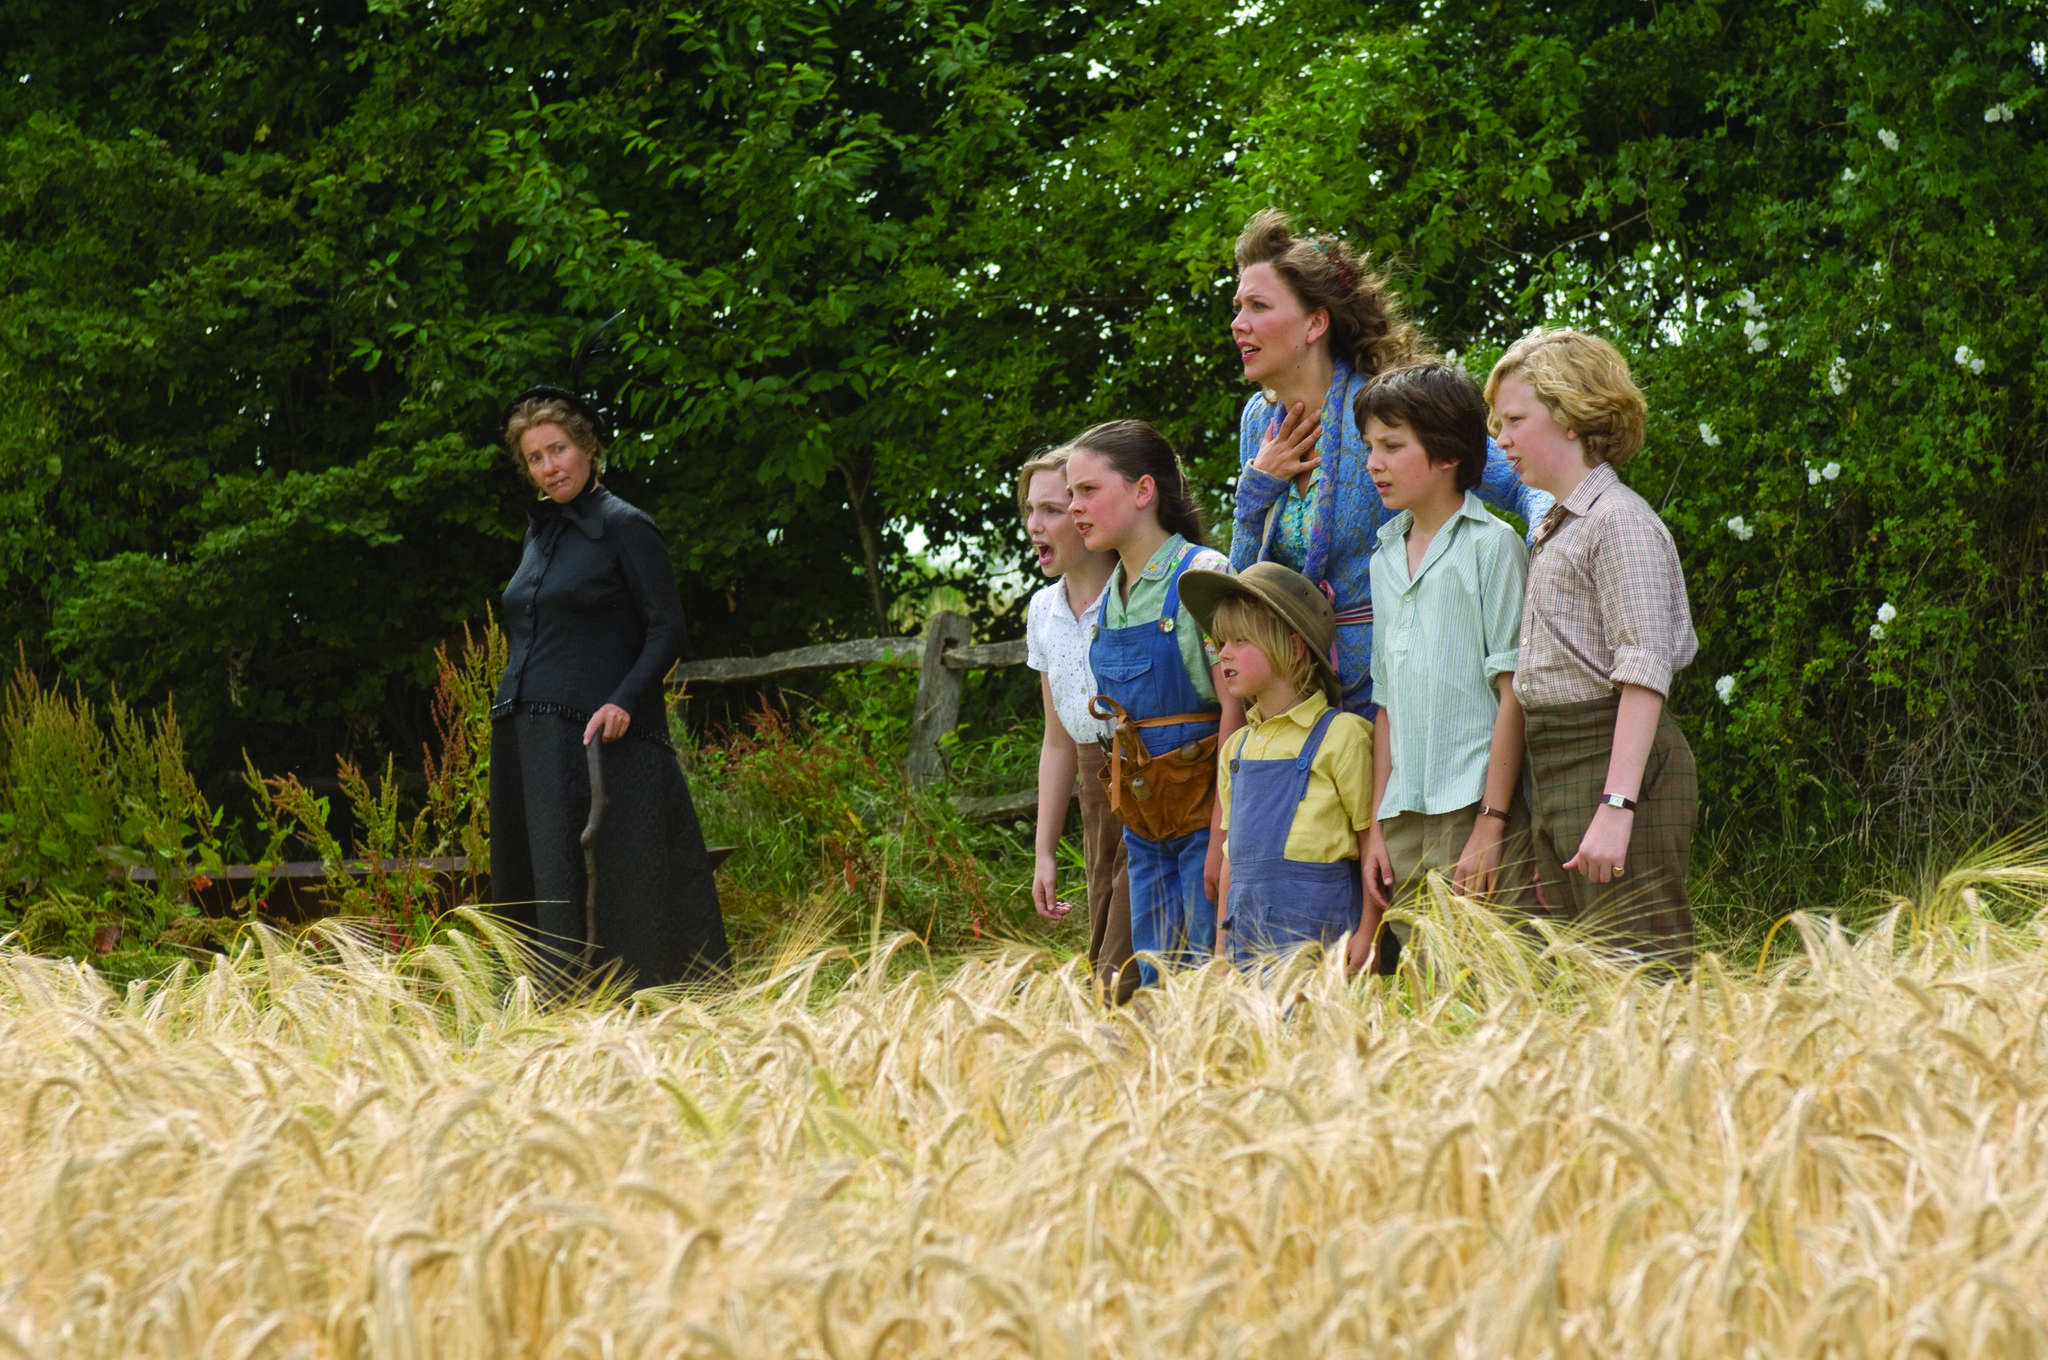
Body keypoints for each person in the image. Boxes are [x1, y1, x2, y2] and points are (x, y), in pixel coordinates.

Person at [1227, 208, 1552, 715]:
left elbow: (1523, 483)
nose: (1238, 324)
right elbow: (1245, 580)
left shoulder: (1385, 407)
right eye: (1237, 306)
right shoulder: (1256, 421)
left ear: (1316, 322)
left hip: (1397, 692)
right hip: (1295, 694)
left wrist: (1555, 541)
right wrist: (1257, 490)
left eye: (1258, 306)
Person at [489, 385, 731, 986]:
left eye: (558, 449)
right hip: (529, 742)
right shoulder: (538, 535)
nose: (549, 467)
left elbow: (667, 628)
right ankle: (550, 1015)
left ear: (589, 447)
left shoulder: (627, 527)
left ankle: (638, 1012)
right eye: (535, 459)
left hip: (601, 742)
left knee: (620, 888)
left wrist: (624, 700)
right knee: (542, 881)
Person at [1484, 331, 1699, 966]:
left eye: (1515, 420)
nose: (1502, 440)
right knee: (1598, 985)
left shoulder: (1619, 522)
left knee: (1644, 975)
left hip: (1611, 761)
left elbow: (1643, 672)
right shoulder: (1558, 522)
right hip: (1559, 765)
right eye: (1498, 423)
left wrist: (1616, 805)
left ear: (1573, 415)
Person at [1352, 364, 1535, 974]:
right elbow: (1385, 706)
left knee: (1480, 984)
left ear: (1449, 453)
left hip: (1473, 807)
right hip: (1402, 812)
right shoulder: (1381, 556)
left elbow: (1514, 695)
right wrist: (1378, 825)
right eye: (1370, 447)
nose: (1374, 462)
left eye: (1392, 446)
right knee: (1412, 992)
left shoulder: (1494, 547)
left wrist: (1491, 823)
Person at [1064, 420, 1244, 986]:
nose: (1074, 507)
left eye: (1088, 490)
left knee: (1208, 976)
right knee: (1155, 975)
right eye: (1070, 494)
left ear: (1144, 491)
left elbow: (1239, 711)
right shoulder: (1109, 597)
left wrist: (1224, 834)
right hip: (1144, 820)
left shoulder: (1201, 577)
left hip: (1202, 815)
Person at [1180, 562, 1376, 966]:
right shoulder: (1236, 750)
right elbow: (1234, 862)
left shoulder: (1342, 737)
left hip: (1323, 946)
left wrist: (1369, 931)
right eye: (1220, 641)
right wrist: (1221, 954)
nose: (1223, 653)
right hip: (1247, 947)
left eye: (1239, 640)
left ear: (1293, 647)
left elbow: (1373, 843)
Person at [1020, 448, 1136, 1005]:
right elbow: (1057, 740)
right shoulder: (1043, 611)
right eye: (1029, 510)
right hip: (1095, 792)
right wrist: (1044, 853)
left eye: (1050, 509)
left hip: (1152, 777)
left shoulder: (1136, 591)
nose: (1033, 525)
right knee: (1102, 944)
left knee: (1120, 962)